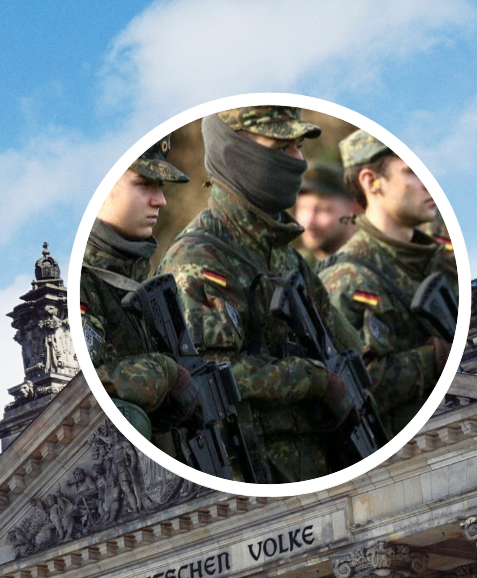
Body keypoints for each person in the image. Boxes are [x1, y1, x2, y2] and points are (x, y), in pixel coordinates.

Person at [156, 106, 365, 483]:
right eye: (281, 147)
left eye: (299, 146)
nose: (298, 161)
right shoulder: (198, 260)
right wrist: (314, 381)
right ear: (235, 152)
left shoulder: (285, 256)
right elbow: (209, 383)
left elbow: (348, 349)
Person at [318, 130, 457, 435]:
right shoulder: (346, 277)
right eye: (411, 172)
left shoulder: (437, 261)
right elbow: (347, 389)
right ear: (371, 182)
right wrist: (433, 359)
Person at [80, 134, 200, 460]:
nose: (160, 200)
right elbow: (80, 392)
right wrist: (166, 374)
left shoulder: (144, 282)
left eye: (160, 187)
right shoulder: (81, 282)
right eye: (144, 184)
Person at [294, 162, 360, 267]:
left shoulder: (374, 266)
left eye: (322, 210)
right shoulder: (292, 266)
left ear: (354, 209)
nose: (309, 222)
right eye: (303, 208)